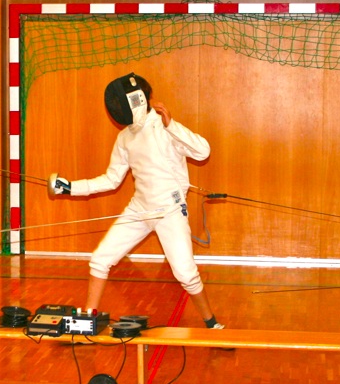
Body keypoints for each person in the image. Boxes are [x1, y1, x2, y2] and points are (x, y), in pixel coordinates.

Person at [50, 73, 222, 328]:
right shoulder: (125, 137)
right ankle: (87, 320)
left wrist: (172, 126)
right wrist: (69, 188)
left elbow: (203, 151)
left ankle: (212, 323)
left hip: (170, 211)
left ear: (138, 99)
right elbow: (111, 179)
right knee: (100, 259)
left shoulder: (164, 127)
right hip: (139, 209)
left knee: (185, 273)